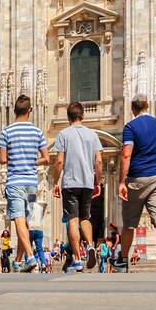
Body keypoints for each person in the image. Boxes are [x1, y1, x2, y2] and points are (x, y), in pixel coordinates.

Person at [117, 94, 156, 273]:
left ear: (132, 109)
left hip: (137, 179)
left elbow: (126, 155)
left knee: (129, 223)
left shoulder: (130, 127)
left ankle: (123, 260)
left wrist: (121, 181)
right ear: (148, 105)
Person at [0, 93, 50, 271]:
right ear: (30, 110)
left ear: (14, 111)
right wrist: (32, 161)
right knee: (25, 222)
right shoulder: (37, 132)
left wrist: (16, 158)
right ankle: (18, 261)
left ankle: (29, 257)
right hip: (31, 184)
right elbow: (46, 158)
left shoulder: (6, 132)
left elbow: (2, 159)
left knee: (19, 221)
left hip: (15, 182)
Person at [50, 100, 103, 272]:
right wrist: (98, 181)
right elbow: (99, 161)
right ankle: (89, 245)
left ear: (68, 117)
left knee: (72, 220)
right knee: (85, 217)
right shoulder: (93, 135)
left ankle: (78, 259)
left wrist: (55, 181)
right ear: (83, 115)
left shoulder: (64, 134)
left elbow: (59, 161)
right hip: (87, 182)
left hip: (70, 183)